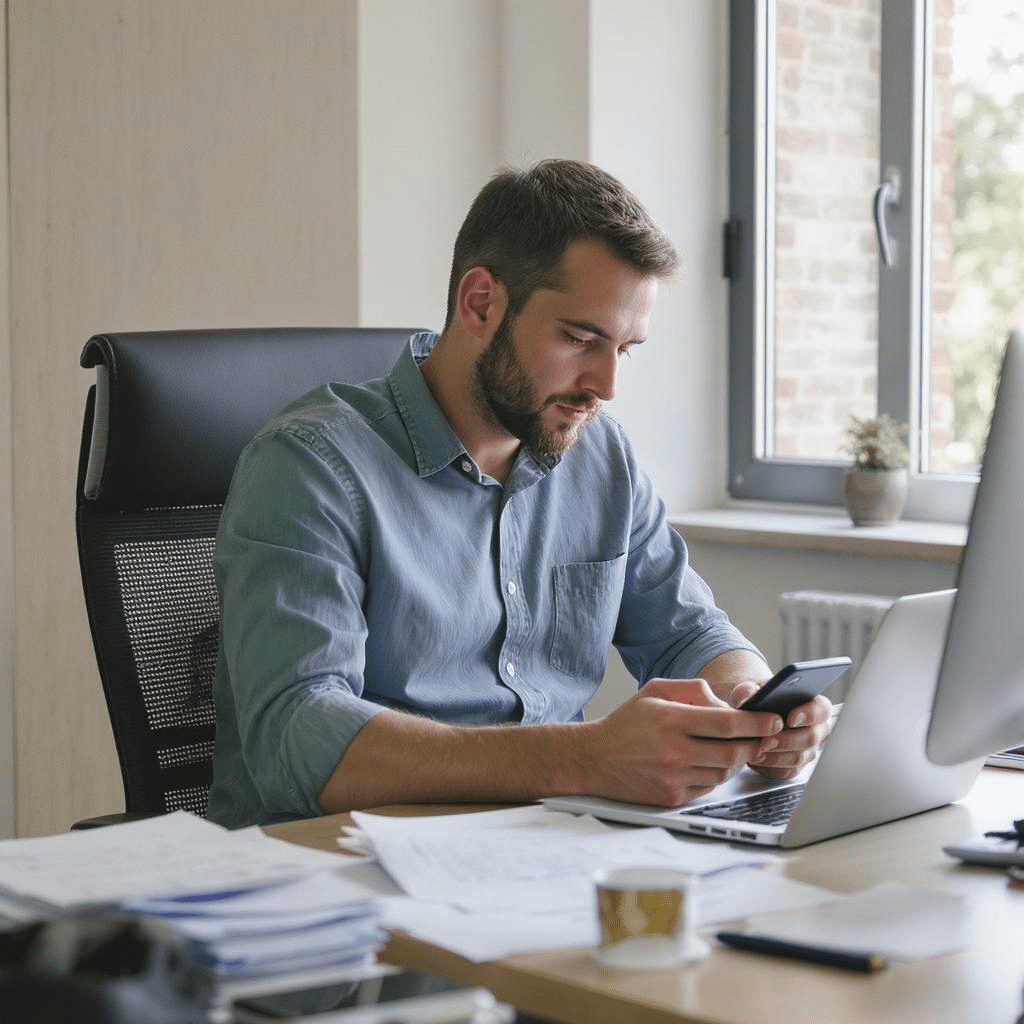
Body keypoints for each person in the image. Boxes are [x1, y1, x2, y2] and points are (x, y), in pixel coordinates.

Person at [207, 159, 831, 829]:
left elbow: (689, 631)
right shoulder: (310, 467)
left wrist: (753, 704)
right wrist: (584, 759)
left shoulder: (601, 455)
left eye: (626, 348)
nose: (606, 385)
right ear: (481, 303)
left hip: (540, 849)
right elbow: (298, 738)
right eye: (581, 339)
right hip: (338, 867)